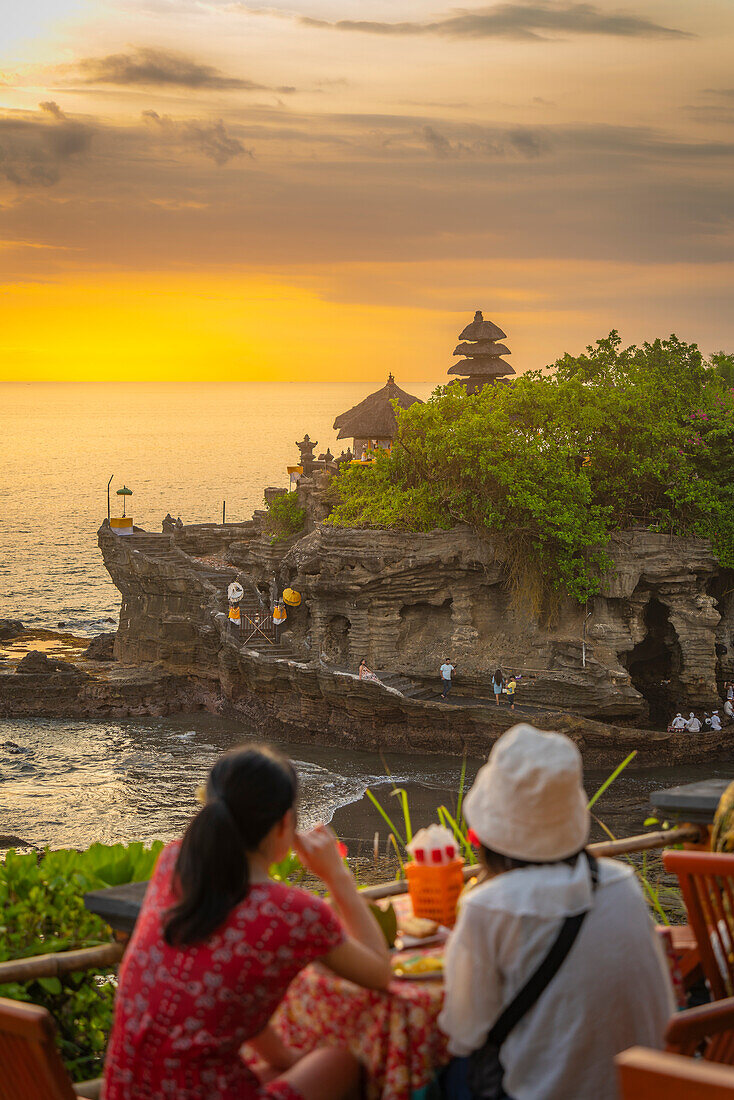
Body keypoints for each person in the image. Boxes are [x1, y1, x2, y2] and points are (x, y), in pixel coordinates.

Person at [103, 745, 391, 1100]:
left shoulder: (174, 864)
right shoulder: (290, 911)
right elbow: (380, 973)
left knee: (280, 1066)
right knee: (338, 1063)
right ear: (286, 822)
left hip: (125, 1091)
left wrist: (284, 1058)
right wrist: (336, 876)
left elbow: (228, 990)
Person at [439, 724, 674, 1100]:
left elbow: (465, 1031)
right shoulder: (622, 884)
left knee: (441, 1073)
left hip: (540, 1093)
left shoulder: (489, 905)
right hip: (646, 1087)